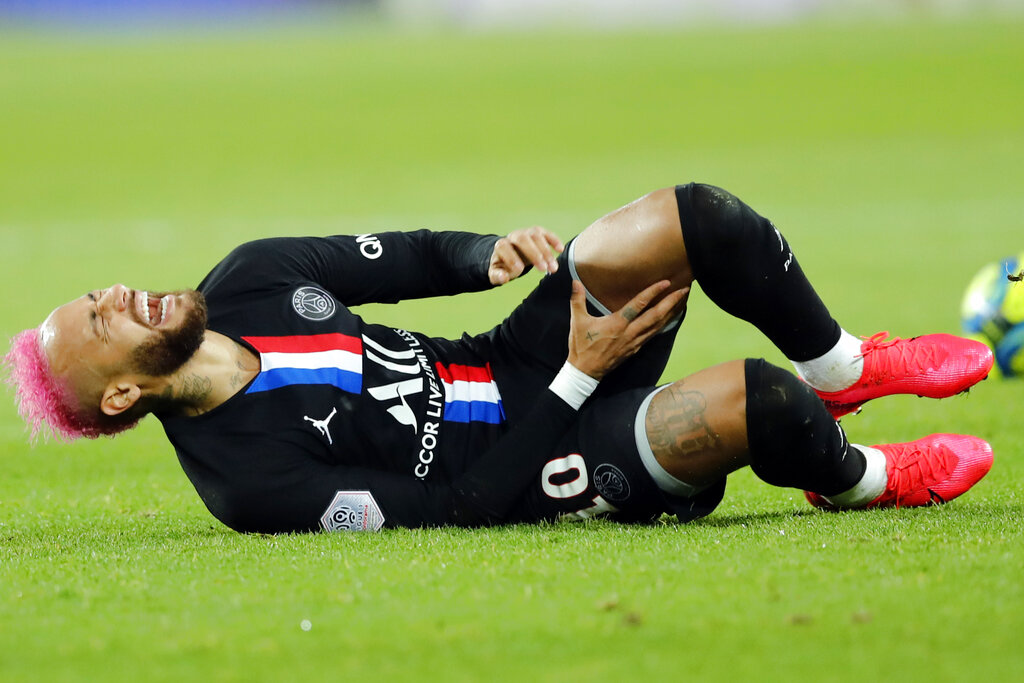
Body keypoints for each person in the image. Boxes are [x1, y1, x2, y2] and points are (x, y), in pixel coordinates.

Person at [3, 184, 996, 533]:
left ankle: (844, 364)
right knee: (761, 404)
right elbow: (468, 505)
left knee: (694, 216)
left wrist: (488, 255)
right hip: (543, 461)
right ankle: (857, 479)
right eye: (101, 322)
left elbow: (412, 257)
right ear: (125, 390)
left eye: (99, 291)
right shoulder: (247, 482)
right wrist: (581, 370)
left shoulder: (252, 277)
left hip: (519, 358)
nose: (119, 295)